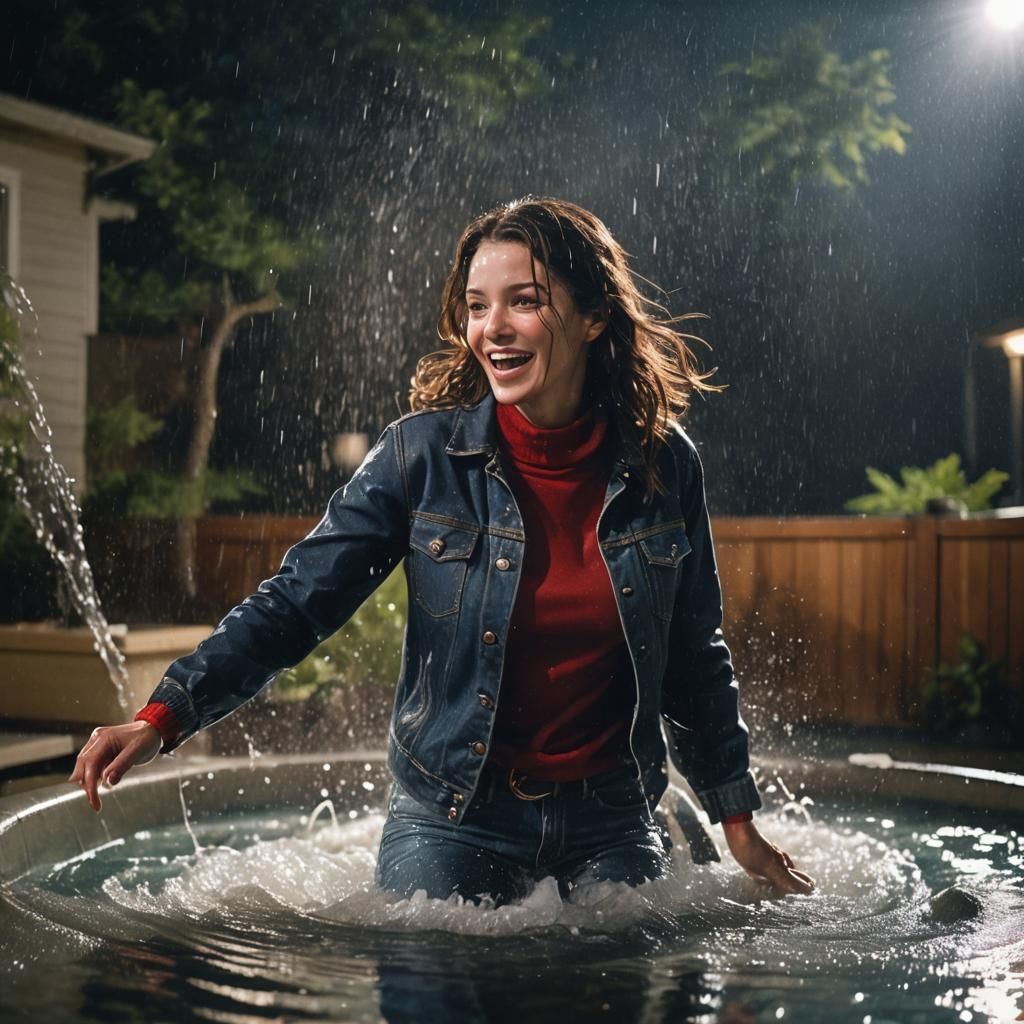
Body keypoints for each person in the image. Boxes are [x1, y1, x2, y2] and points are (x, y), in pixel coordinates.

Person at [70, 197, 814, 904]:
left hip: (612, 817)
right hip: (456, 816)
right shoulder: (419, 459)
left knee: (629, 967)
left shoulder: (663, 465)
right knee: (433, 960)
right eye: (477, 306)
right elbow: (297, 603)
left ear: (593, 317)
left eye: (524, 301)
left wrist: (738, 822)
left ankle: (677, 821)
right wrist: (164, 715)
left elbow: (693, 655)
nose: (494, 328)